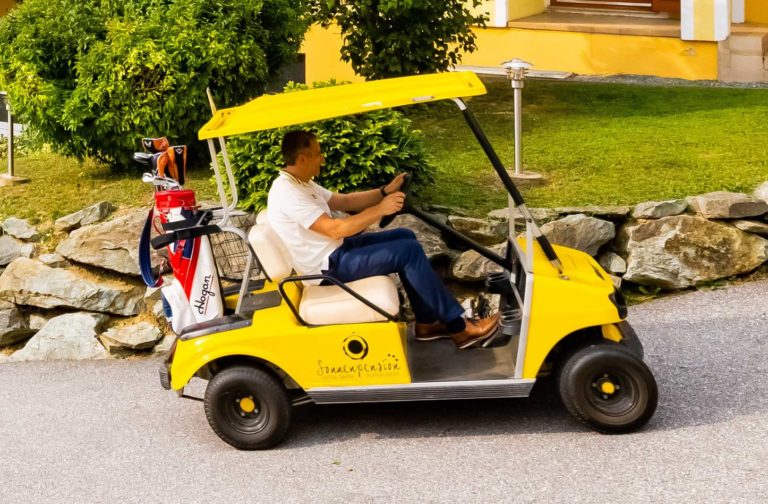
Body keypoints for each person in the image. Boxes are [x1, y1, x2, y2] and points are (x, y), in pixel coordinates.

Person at [267, 130, 499, 349]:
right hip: (327, 268)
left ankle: (427, 323)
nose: (323, 158)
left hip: (335, 253)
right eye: (318, 153)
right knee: (406, 252)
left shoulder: (302, 183)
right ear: (303, 158)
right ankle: (460, 328)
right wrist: (380, 209)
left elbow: (345, 202)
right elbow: (336, 229)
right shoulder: (288, 193)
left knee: (405, 235)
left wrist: (384, 192)